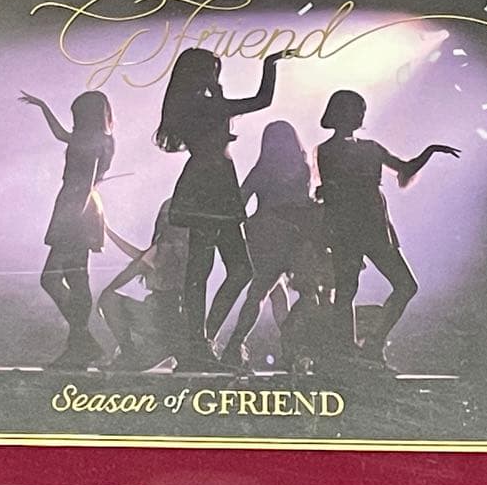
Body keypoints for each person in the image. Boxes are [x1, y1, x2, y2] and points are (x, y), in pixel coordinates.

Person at [155, 47, 291, 370]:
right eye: (210, 70)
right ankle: (197, 344)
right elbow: (261, 100)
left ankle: (201, 340)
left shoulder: (195, 104)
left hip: (215, 183)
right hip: (209, 183)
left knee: (234, 268)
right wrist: (269, 65)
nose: (214, 76)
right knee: (204, 268)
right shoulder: (199, 105)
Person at [316, 90, 460, 365]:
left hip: (373, 226)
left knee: (404, 285)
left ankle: (371, 344)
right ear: (340, 113)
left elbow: (405, 168)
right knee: (347, 290)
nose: (360, 115)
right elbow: (335, 190)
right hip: (350, 226)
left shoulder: (370, 147)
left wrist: (430, 151)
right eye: (356, 109)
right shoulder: (328, 150)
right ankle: (348, 350)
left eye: (362, 110)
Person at [19, 89, 114, 367]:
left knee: (53, 278)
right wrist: (42, 105)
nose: (73, 121)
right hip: (81, 208)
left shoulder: (91, 140)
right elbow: (61, 134)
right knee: (77, 278)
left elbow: (84, 183)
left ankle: (82, 341)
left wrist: (73, 219)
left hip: (76, 209)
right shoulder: (96, 138)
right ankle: (79, 346)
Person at [216, 121, 317, 370]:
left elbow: (239, 199)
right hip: (295, 237)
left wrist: (249, 223)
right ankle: (292, 350)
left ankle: (235, 347)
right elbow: (304, 204)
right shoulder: (302, 170)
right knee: (298, 294)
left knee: (259, 294)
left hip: (265, 236)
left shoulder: (262, 170)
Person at [98, 201, 188, 370]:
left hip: (162, 326)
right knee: (109, 298)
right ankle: (132, 354)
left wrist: (107, 293)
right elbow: (140, 258)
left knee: (109, 299)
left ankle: (129, 353)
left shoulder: (167, 248)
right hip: (169, 328)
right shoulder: (178, 250)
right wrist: (109, 232)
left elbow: (137, 265)